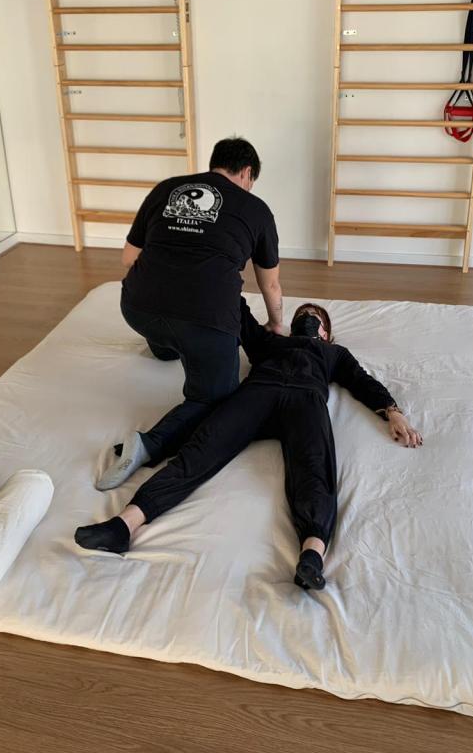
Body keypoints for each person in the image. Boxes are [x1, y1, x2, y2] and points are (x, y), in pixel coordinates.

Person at [76, 300, 423, 591]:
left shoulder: (334, 353)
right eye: (302, 313)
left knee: (314, 466)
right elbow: (237, 311)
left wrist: (393, 412)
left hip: (305, 400)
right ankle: (123, 526)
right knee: (200, 450)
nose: (307, 316)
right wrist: (229, 274)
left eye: (315, 315)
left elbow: (362, 382)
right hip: (257, 394)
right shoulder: (269, 342)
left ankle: (311, 556)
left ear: (326, 333)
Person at [96, 137, 284, 491]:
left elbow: (128, 258)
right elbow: (270, 285)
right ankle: (148, 444)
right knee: (217, 395)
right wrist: (275, 324)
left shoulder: (166, 189)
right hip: (205, 321)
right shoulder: (256, 209)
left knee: (167, 331)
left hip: (137, 308)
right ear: (247, 173)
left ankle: (166, 346)